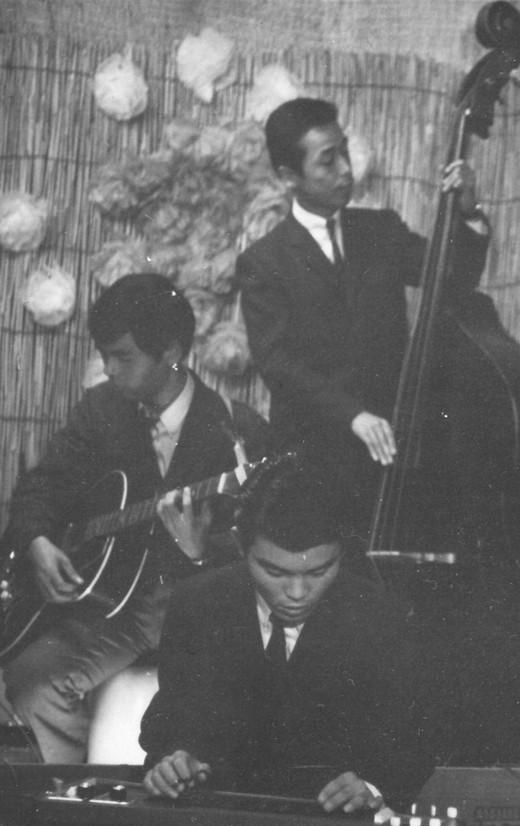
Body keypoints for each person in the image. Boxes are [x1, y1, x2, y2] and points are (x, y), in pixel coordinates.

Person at [2, 272, 267, 763]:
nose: (108, 369)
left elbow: (262, 548)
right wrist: (37, 539)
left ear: (172, 352)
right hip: (103, 600)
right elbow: (44, 484)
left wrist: (201, 552)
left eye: (122, 357)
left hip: (183, 604)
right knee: (29, 679)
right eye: (104, 355)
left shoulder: (236, 430)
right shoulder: (102, 408)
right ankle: (63, 794)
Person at [237, 96, 490, 537]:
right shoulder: (265, 262)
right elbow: (277, 363)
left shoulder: (381, 230)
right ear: (288, 177)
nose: (346, 170)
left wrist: (468, 211)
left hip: (392, 451)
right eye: (327, 160)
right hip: (314, 459)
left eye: (345, 152)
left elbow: (454, 276)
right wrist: (353, 415)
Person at [139, 453, 433, 814]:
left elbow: (411, 748)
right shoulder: (197, 602)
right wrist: (172, 762)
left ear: (342, 551)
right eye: (275, 572)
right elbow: (167, 723)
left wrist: (372, 786)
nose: (297, 593)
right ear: (240, 545)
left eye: (319, 571)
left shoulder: (381, 618)